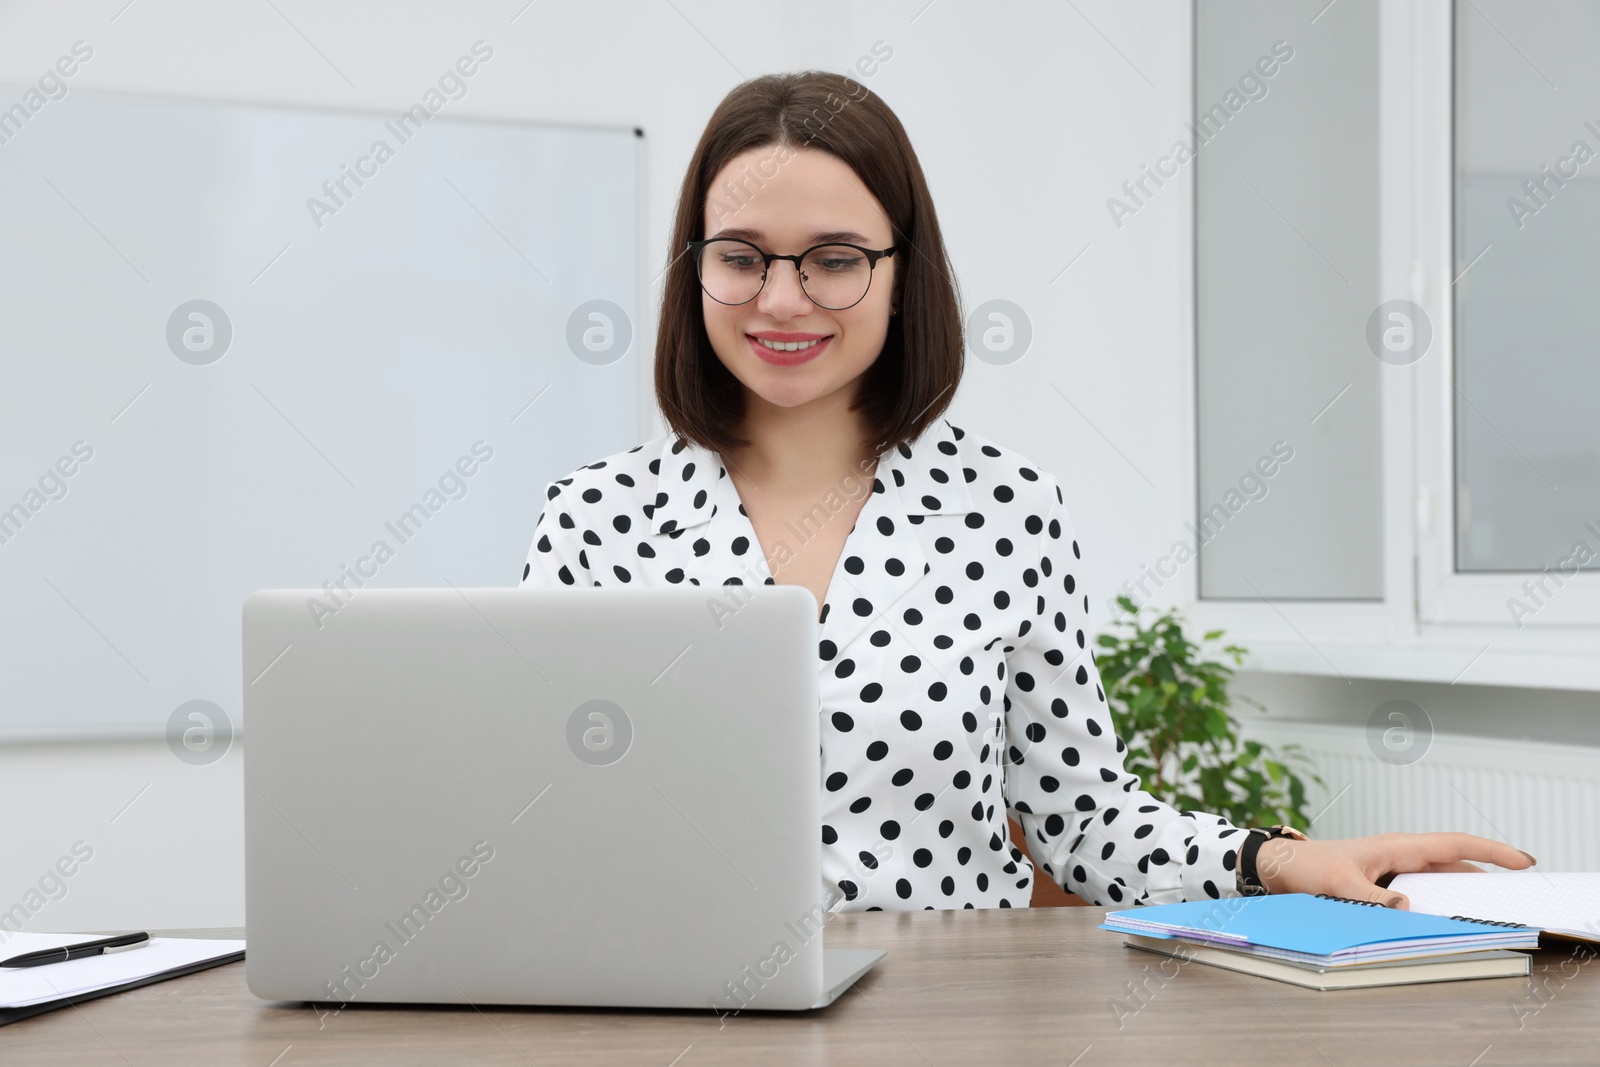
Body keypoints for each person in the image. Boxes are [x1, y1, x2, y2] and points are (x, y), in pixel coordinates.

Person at [520, 70, 1534, 912]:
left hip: (954, 1020)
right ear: (691, 269)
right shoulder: (594, 521)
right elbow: (530, 817)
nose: (781, 299)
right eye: (739, 258)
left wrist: (1272, 857)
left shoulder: (1007, 511)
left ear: (902, 268)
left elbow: (1084, 820)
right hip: (671, 1019)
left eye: (834, 260)